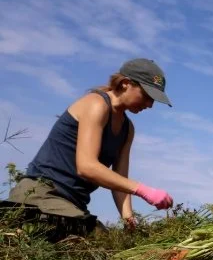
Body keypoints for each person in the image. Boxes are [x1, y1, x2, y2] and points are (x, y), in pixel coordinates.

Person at [6, 58, 175, 232]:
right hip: (41, 194)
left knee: (111, 245)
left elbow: (120, 179)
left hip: (73, 203)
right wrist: (143, 190)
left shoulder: (127, 129)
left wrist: (128, 219)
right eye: (147, 96)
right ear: (126, 83)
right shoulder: (96, 104)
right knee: (98, 246)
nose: (150, 104)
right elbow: (87, 167)